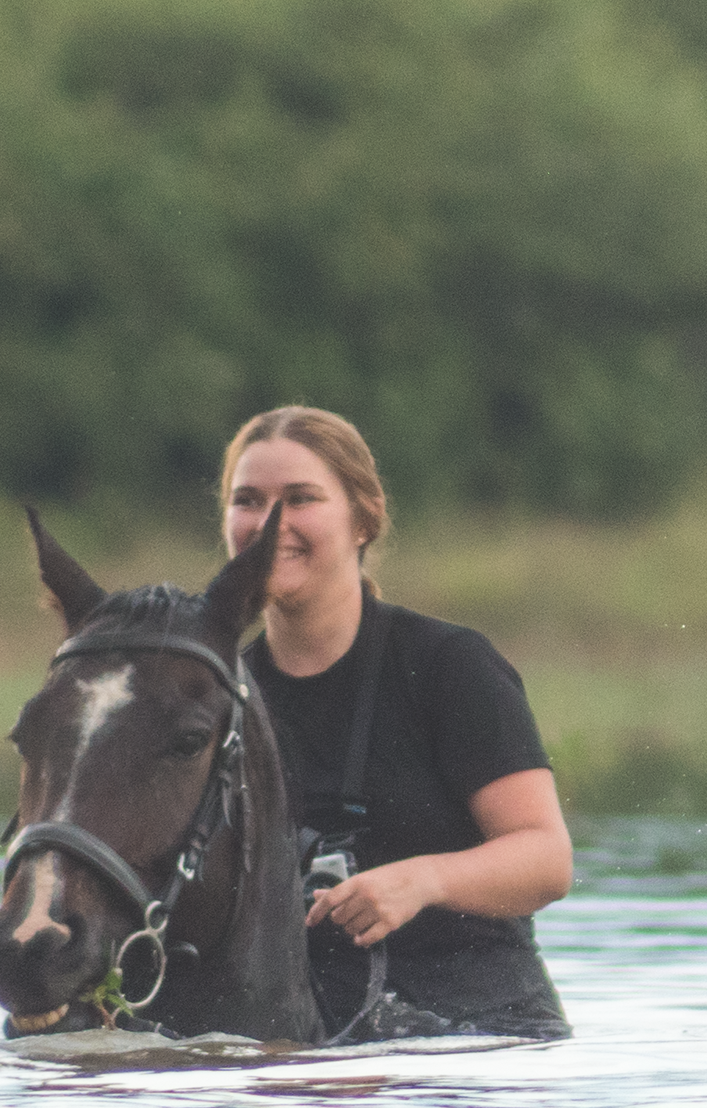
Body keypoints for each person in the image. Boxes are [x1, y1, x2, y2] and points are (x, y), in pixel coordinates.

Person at [222, 406, 572, 1040]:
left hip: (479, 1042)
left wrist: (424, 879)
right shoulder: (218, 697)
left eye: (300, 499)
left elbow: (547, 860)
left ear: (365, 518)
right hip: (303, 1048)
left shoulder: (448, 666)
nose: (271, 523)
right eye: (248, 501)